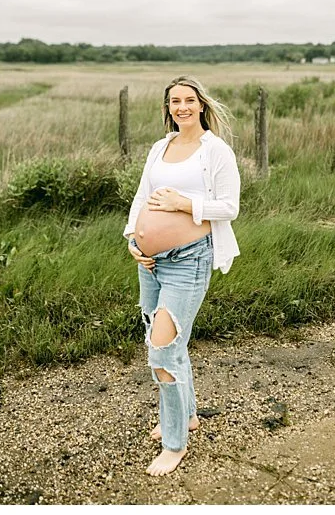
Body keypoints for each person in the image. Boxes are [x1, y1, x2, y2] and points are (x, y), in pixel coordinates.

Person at [123, 76, 242, 476]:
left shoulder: (216, 151)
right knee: (170, 345)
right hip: (151, 263)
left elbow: (229, 207)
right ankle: (187, 414)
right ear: (168, 107)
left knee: (162, 347)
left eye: (189, 100)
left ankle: (175, 443)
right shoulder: (161, 146)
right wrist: (133, 240)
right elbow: (142, 197)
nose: (182, 107)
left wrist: (182, 202)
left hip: (189, 260)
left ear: (202, 105)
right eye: (174, 101)